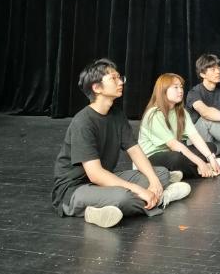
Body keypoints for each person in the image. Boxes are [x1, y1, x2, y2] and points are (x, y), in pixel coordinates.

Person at [52, 58, 191, 229]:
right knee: (123, 197)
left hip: (103, 182)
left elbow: (135, 151)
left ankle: (104, 210)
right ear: (97, 88)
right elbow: (95, 174)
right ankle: (162, 198)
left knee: (160, 173)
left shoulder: (117, 115)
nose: (120, 82)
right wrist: (138, 190)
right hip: (75, 188)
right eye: (113, 78)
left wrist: (154, 180)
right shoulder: (83, 122)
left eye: (120, 77)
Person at [138, 72, 220, 179]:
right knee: (176, 158)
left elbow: (194, 136)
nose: (180, 91)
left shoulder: (181, 112)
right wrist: (200, 162)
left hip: (172, 152)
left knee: (210, 147)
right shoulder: (154, 114)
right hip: (150, 158)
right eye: (175, 87)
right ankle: (203, 169)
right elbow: (173, 144)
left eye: (181, 87)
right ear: (163, 90)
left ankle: (175, 174)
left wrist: (210, 158)